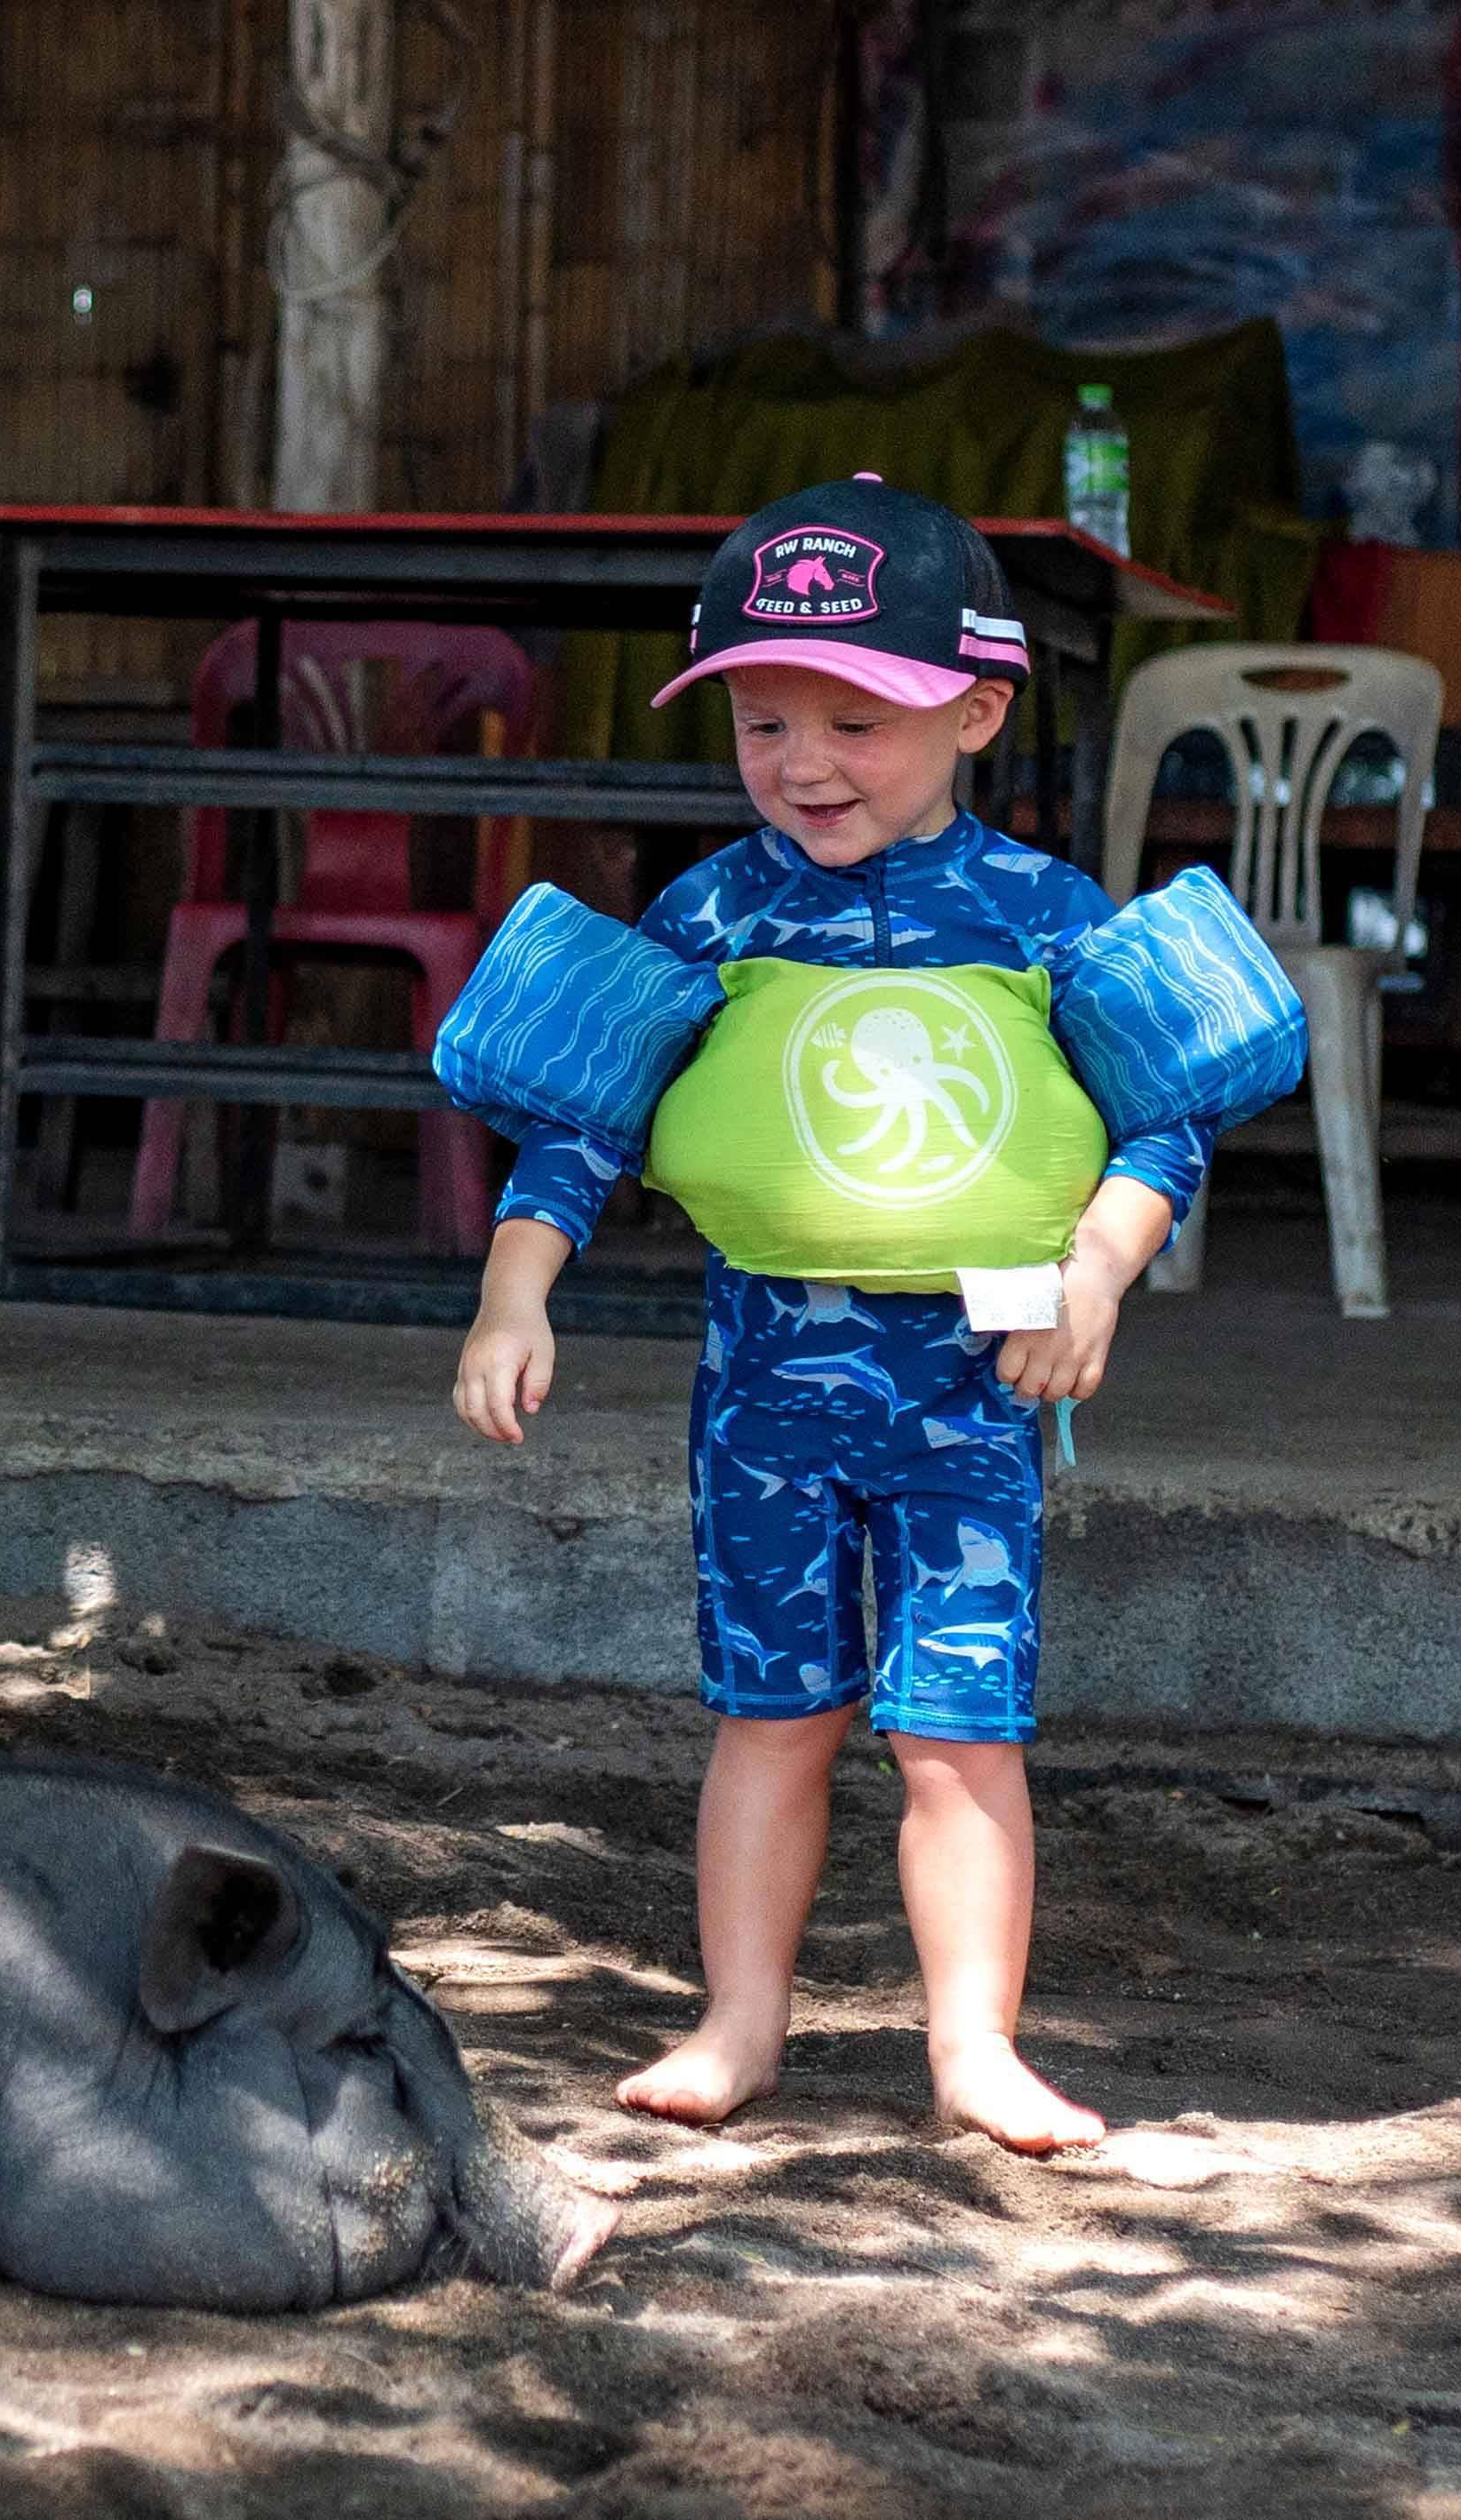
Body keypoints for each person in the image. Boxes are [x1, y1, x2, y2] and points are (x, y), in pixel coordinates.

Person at [451, 477, 1214, 2156]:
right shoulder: (713, 913)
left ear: (975, 711)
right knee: (771, 1715)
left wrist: (1094, 1271)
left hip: (973, 1376)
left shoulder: (1042, 917)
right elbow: (582, 1117)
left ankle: (973, 2050)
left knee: (958, 1734)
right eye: (762, 718)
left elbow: (1167, 1115)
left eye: (854, 720)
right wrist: (517, 1291)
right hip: (763, 1382)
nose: (802, 762)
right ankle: (738, 2023)